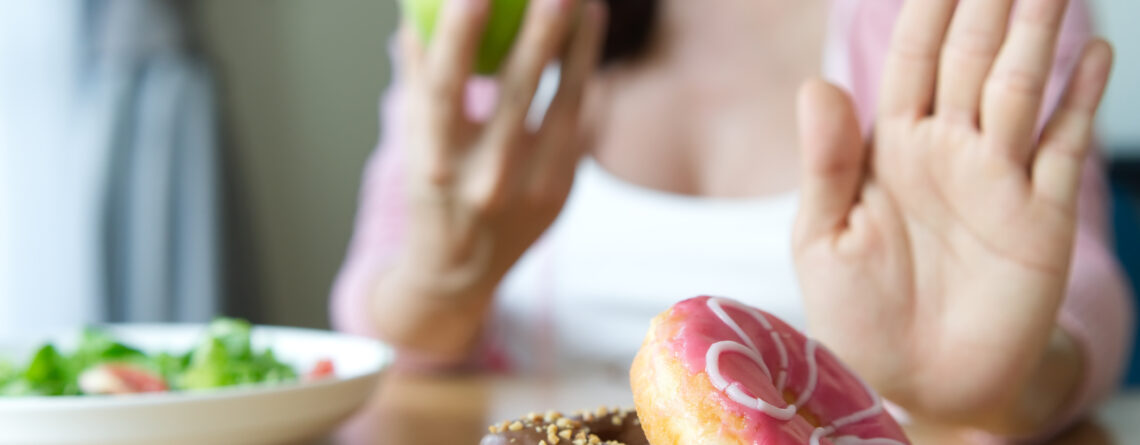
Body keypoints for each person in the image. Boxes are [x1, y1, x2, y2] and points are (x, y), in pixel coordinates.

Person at [332, 0, 1134, 440]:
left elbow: (1078, 293)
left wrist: (995, 387)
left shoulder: (955, 21)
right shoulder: (495, 21)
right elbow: (376, 302)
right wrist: (438, 287)